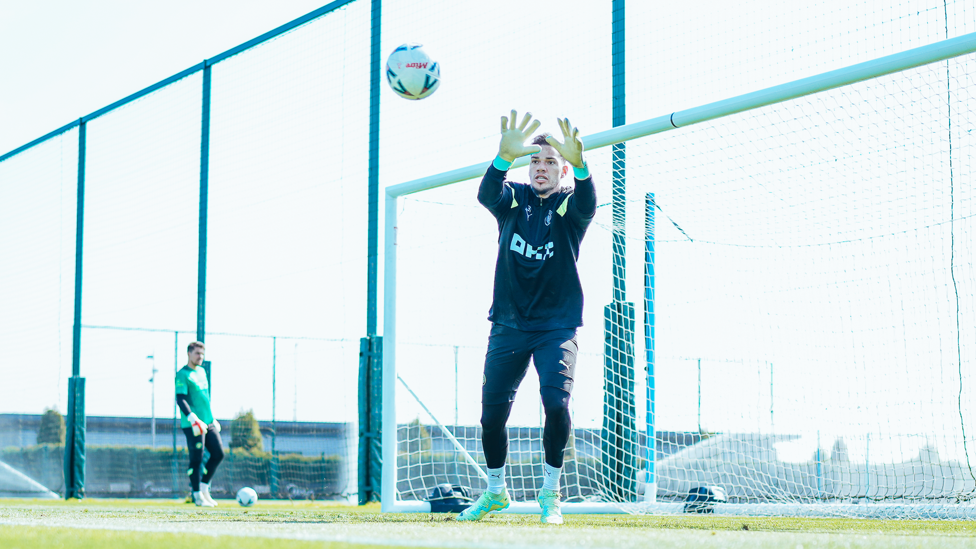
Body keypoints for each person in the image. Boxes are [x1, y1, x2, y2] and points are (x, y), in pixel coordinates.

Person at [457, 111, 596, 525]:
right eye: (536, 161)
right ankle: (496, 492)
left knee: (556, 404)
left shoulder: (570, 203)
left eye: (551, 161)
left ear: (563, 169)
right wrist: (501, 159)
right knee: (491, 417)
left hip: (556, 326)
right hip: (508, 325)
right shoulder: (513, 200)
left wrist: (585, 170)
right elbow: (486, 195)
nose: (541, 167)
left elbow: (588, 203)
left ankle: (551, 495)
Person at [175, 341, 224, 507]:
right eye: (197, 353)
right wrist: (192, 418)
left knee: (218, 453)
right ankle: (196, 495)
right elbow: (180, 399)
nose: (200, 357)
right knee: (197, 458)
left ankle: (204, 489)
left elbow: (204, 399)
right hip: (193, 424)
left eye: (202, 354)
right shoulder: (183, 374)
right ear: (189, 353)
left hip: (208, 422)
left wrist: (212, 418)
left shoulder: (202, 372)